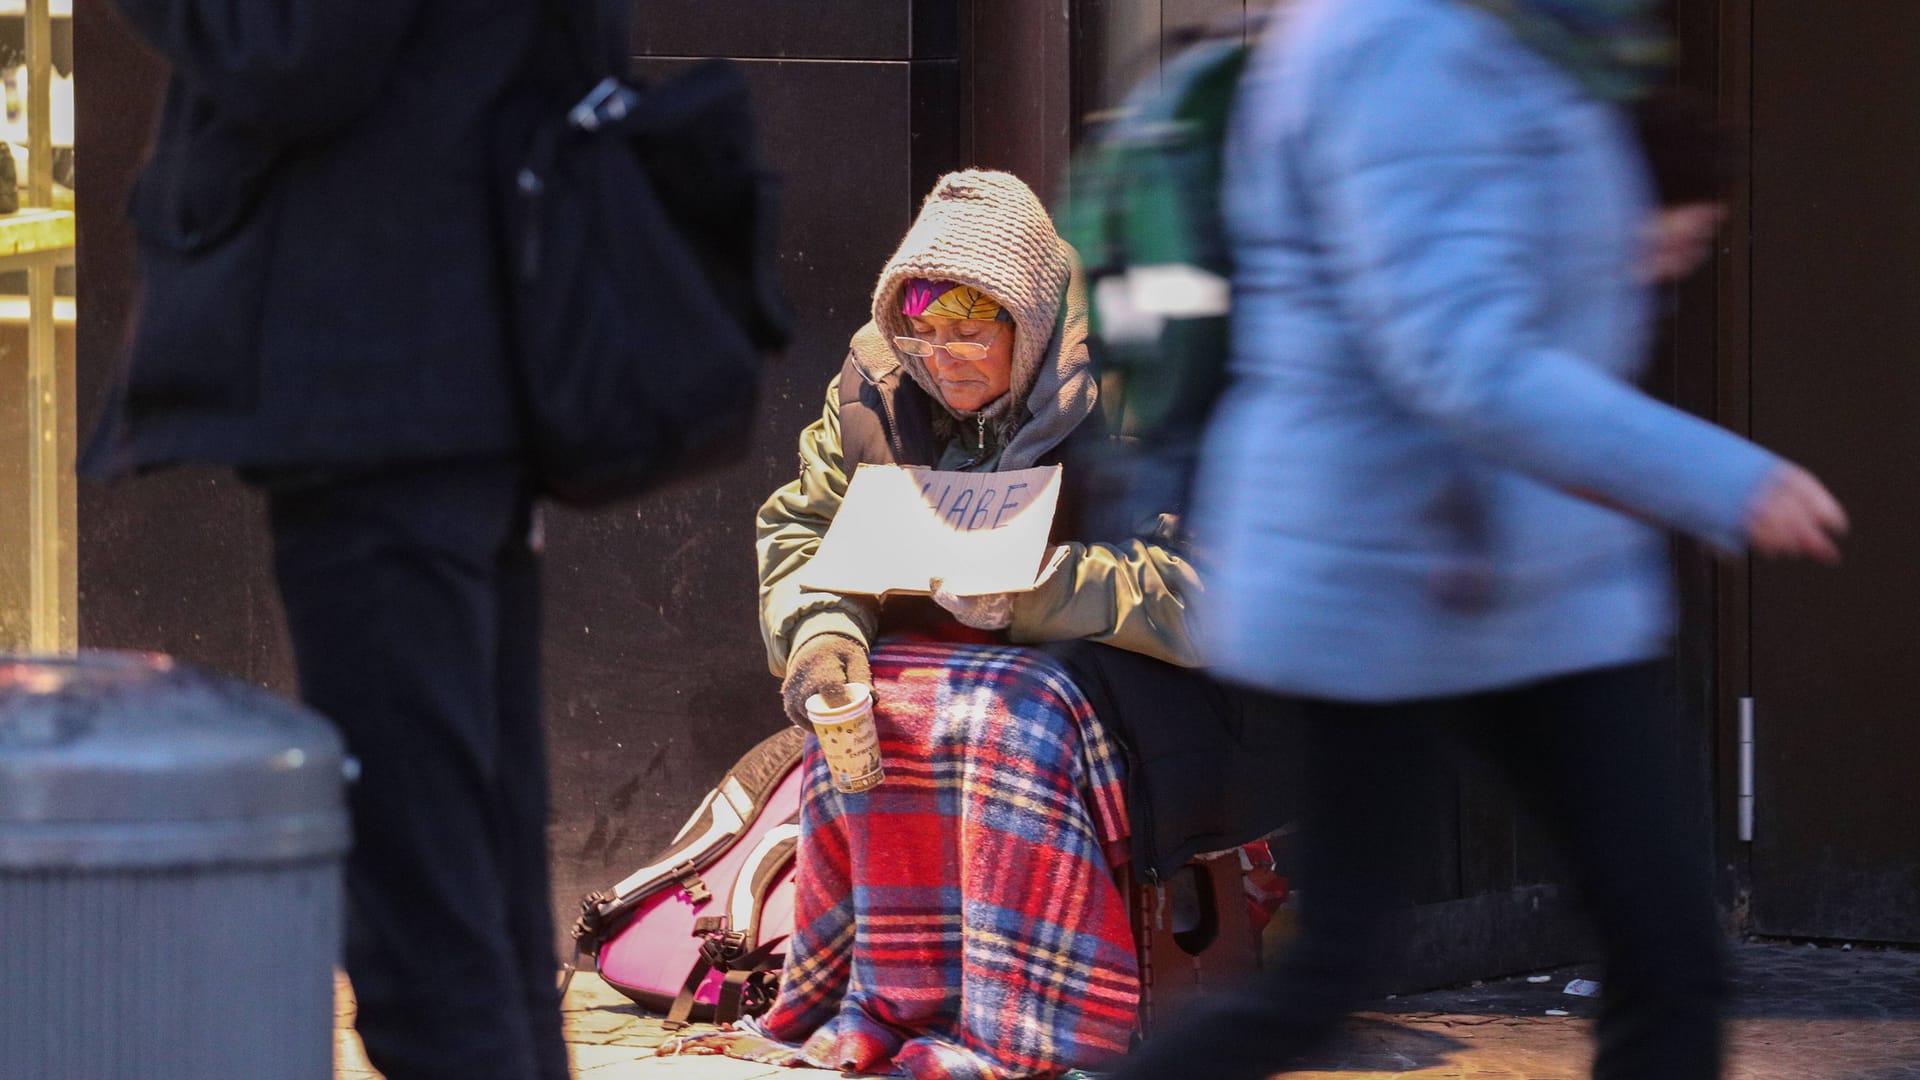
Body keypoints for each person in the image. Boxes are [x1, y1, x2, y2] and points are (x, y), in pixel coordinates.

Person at [1111, 2, 1848, 1079]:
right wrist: (1726, 477)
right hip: (1393, 572)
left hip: (1531, 572)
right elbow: (1460, 357)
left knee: (1663, 946)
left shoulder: (1514, 33)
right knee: (1337, 983)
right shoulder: (1399, 46)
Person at [689, 170, 1288, 1079]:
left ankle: (1025, 1024)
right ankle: (886, 995)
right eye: (922, 330)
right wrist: (822, 635)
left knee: (1014, 717)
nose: (944, 354)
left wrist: (1039, 592)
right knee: (868, 708)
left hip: (1164, 698)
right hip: (966, 663)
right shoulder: (877, 385)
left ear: (1032, 318)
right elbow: (801, 526)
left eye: (972, 327)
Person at [86, 3, 575, 1077]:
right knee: (479, 903)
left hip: (384, 383)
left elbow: (294, 53)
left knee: (428, 923)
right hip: (471, 366)